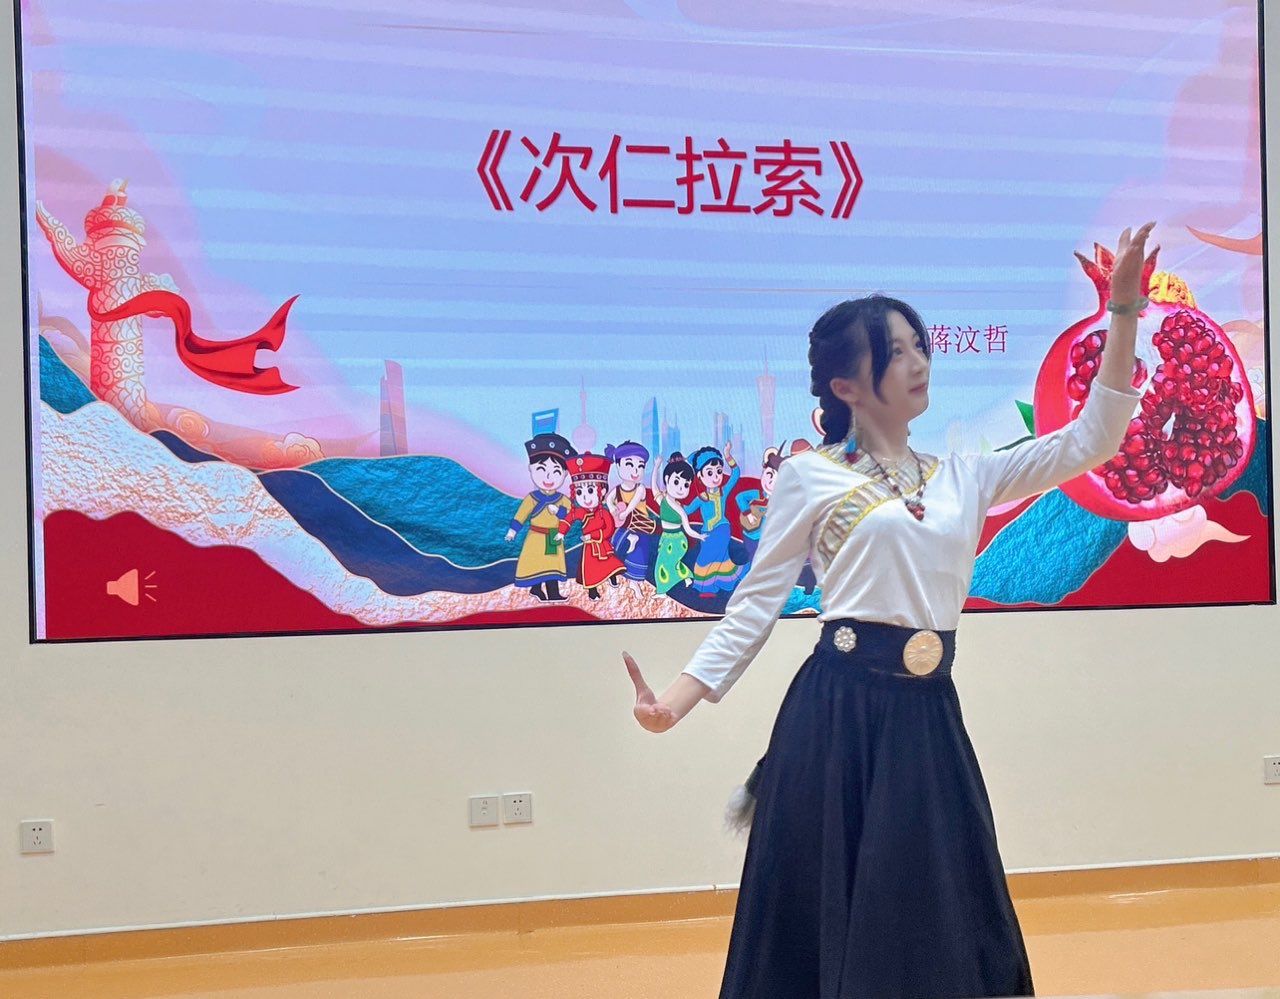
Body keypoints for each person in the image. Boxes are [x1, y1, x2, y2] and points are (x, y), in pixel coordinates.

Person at [624, 223, 1157, 999]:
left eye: (918, 345)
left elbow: (1094, 439)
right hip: (835, 713)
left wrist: (1124, 312)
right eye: (896, 350)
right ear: (847, 385)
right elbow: (754, 605)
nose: (918, 361)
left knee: (934, 911)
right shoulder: (809, 478)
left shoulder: (965, 476)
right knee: (826, 917)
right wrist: (671, 703)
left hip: (927, 712)